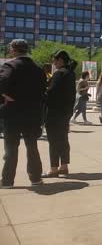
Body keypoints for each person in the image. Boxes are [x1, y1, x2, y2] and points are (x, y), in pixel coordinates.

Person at [0, 39, 46, 188]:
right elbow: (42, 93)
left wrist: (6, 96)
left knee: (11, 148)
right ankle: (36, 178)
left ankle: (7, 181)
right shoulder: (38, 69)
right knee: (32, 147)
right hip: (32, 114)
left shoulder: (10, 66)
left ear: (14, 49)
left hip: (13, 113)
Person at [43, 50, 76, 178]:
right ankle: (64, 166)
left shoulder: (59, 74)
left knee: (53, 140)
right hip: (66, 112)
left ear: (60, 60)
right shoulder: (70, 73)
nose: (53, 62)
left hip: (54, 112)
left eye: (54, 60)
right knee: (63, 139)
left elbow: (50, 94)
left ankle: (53, 168)